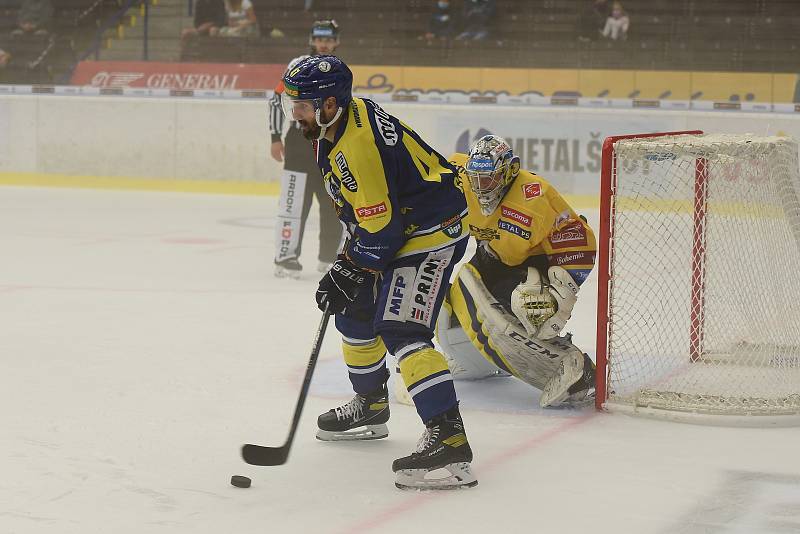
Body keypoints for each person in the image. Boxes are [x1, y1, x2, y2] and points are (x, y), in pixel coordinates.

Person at [281, 55, 477, 490]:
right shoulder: (335, 122)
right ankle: (371, 405)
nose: (294, 113)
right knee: (352, 308)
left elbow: (382, 227)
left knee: (402, 328)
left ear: (329, 104)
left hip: (429, 231)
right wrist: (350, 270)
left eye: (302, 104)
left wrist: (351, 265)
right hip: (396, 222)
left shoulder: (356, 148)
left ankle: (449, 438)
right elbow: (372, 216)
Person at [433, 136, 597, 407]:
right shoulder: (456, 174)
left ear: (510, 171)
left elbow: (578, 237)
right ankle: (475, 364)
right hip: (493, 256)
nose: (480, 187)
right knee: (447, 307)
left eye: (488, 179)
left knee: (527, 303)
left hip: (535, 264)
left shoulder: (535, 195)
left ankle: (576, 367)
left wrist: (564, 287)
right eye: (475, 178)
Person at [269, 20, 344, 278]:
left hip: (329, 142)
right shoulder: (297, 64)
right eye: (319, 38)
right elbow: (276, 99)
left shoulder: (341, 70)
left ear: (336, 41)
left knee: (334, 202)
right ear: (312, 40)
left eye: (329, 38)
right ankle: (286, 257)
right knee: (294, 200)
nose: (323, 43)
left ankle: (329, 258)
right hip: (300, 140)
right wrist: (275, 136)